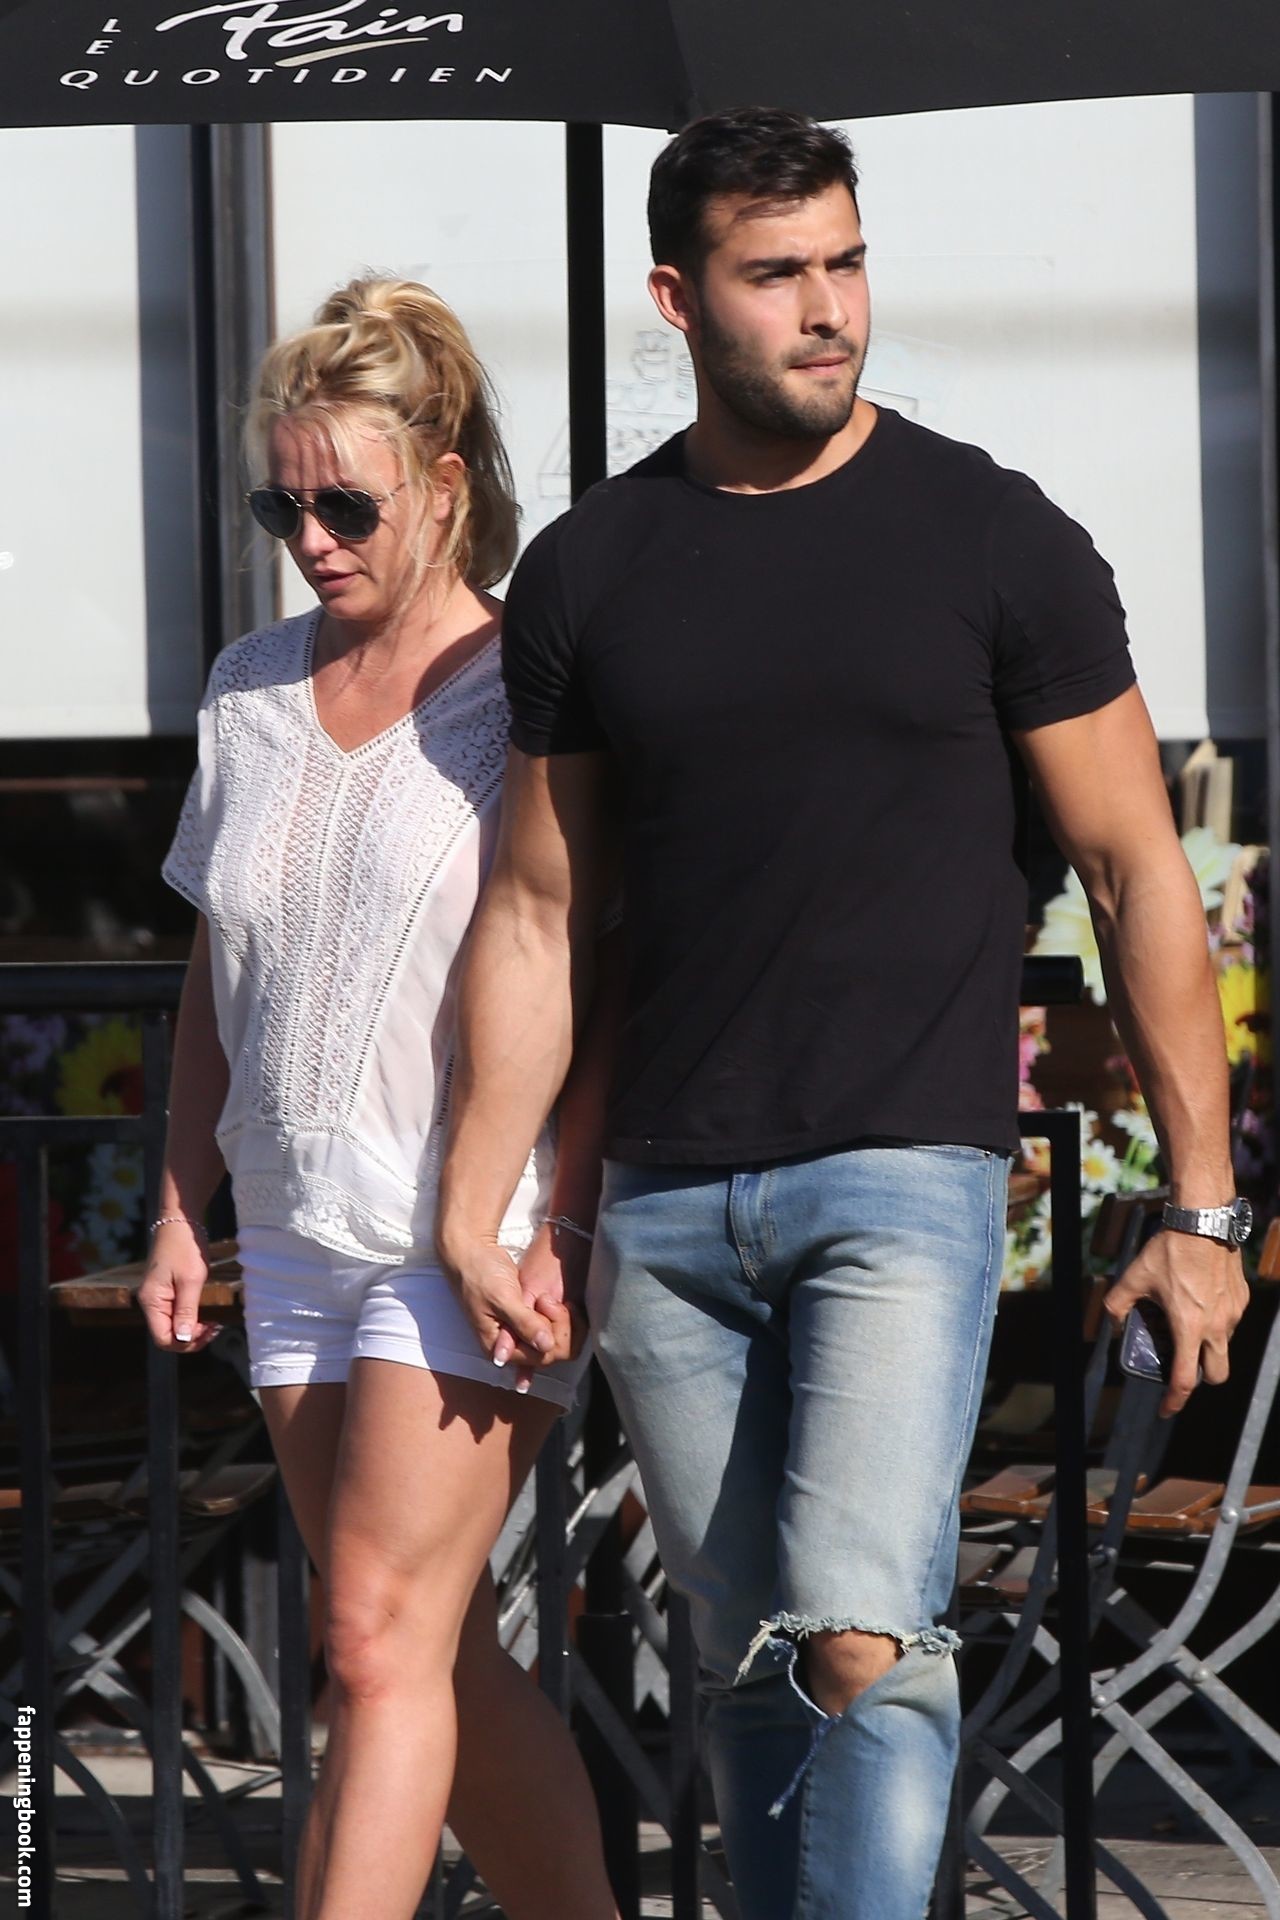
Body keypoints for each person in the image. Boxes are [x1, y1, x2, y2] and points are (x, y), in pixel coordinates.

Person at [436, 108, 1251, 1920]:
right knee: (749, 1663)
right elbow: (540, 911)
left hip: (903, 1175)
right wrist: (483, 1198)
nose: (828, 310)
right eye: (777, 273)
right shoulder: (592, 566)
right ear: (677, 297)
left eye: (847, 263)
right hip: (664, 1200)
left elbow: (1137, 872)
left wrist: (1203, 1210)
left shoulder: (994, 534)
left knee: (863, 1638)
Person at [139, 277, 619, 1920]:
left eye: (346, 504)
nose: (312, 539)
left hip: (469, 1227)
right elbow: (216, 967)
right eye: (282, 506)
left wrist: (563, 1218)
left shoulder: (529, 690)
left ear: (444, 483)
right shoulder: (249, 689)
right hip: (290, 1227)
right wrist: (180, 1203)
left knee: (366, 1636)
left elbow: (593, 974)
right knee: (433, 1648)